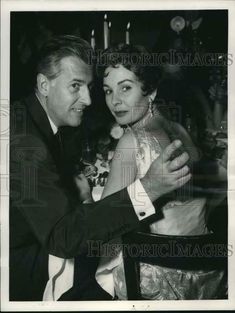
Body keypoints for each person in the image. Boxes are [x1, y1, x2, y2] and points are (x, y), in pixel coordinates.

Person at [10, 35, 191, 301]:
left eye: (89, 87)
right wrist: (148, 188)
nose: (89, 99)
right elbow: (65, 238)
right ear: (43, 84)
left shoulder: (29, 117)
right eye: (75, 86)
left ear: (150, 91)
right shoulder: (25, 141)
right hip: (21, 266)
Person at [82, 43, 226, 300]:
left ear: (151, 92)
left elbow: (103, 226)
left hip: (158, 280)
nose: (115, 101)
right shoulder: (180, 130)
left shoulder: (132, 141)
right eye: (107, 91)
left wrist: (83, 196)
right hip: (207, 276)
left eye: (126, 87)